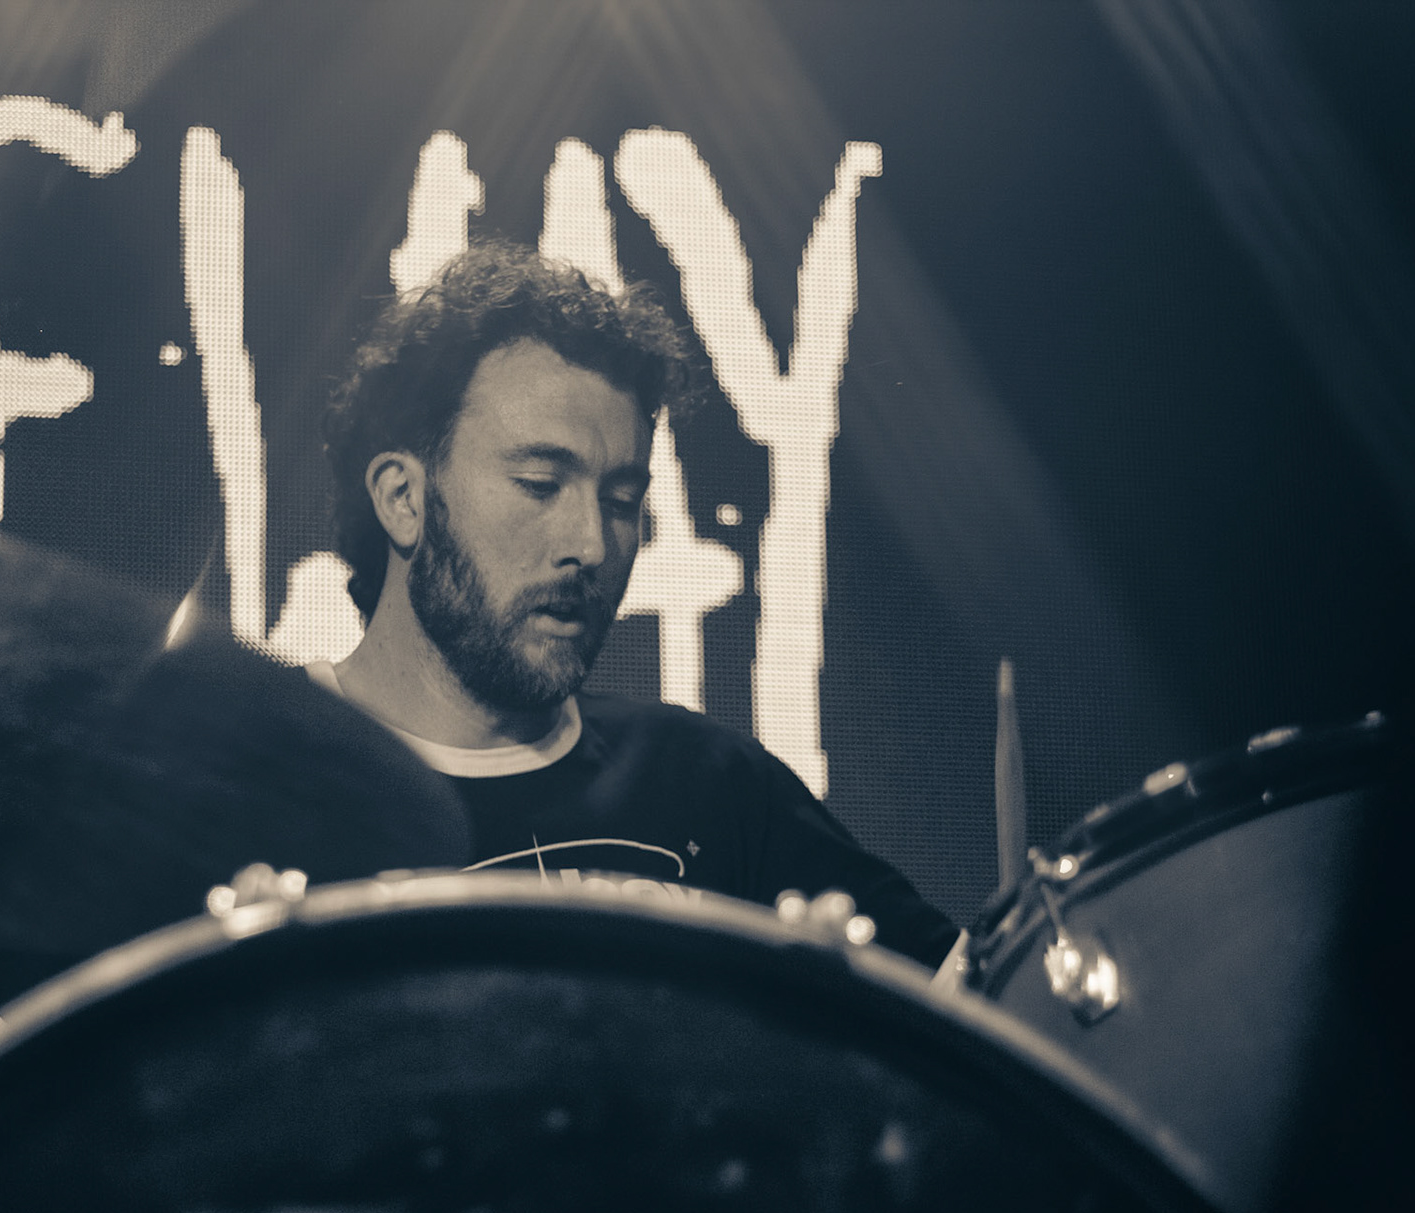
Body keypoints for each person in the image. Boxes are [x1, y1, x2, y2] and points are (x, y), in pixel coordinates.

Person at [314, 241, 959, 969]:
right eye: (540, 484)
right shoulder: (247, 775)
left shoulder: (713, 787)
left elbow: (987, 1005)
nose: (592, 544)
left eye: (621, 501)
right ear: (404, 498)